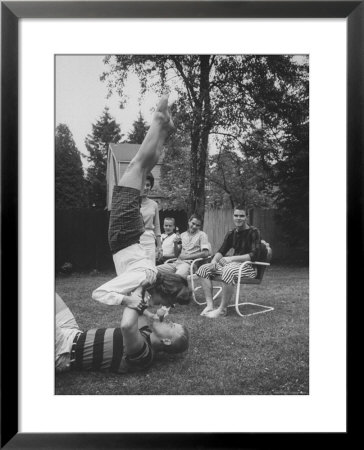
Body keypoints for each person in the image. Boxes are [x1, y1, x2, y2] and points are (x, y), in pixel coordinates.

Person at [92, 95, 190, 309]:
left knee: (143, 167)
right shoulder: (142, 279)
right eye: (167, 302)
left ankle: (164, 130)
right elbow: (99, 293)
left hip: (130, 236)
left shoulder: (148, 281)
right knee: (136, 165)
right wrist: (127, 300)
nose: (164, 306)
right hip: (123, 235)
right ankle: (158, 121)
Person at [55, 293, 189, 374]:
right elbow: (140, 310)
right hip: (72, 331)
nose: (168, 321)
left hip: (63, 350)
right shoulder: (146, 332)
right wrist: (149, 306)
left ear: (166, 341)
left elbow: (127, 326)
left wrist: (138, 295)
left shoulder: (145, 354)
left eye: (171, 325)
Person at [196, 206, 264, 318]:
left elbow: (254, 255)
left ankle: (222, 310)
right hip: (232, 266)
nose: (238, 218)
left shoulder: (254, 232)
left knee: (227, 270)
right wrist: (213, 261)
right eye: (236, 215)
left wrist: (231, 259)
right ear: (233, 217)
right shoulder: (231, 233)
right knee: (203, 269)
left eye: (242, 216)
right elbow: (222, 250)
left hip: (248, 267)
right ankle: (210, 305)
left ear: (246, 217)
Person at [157, 214, 210, 279]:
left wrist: (187, 257)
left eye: (197, 225)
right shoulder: (183, 235)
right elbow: (176, 254)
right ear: (189, 222)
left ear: (200, 226)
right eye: (193, 223)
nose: (194, 226)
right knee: (154, 271)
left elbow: (205, 253)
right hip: (176, 263)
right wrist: (175, 243)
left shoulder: (202, 235)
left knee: (176, 278)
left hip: (189, 265)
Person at [140, 172, 162, 263]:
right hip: (136, 241)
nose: (145, 188)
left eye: (148, 185)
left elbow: (157, 227)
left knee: (150, 268)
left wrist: (159, 247)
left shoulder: (154, 205)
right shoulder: (132, 203)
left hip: (149, 241)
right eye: (143, 185)